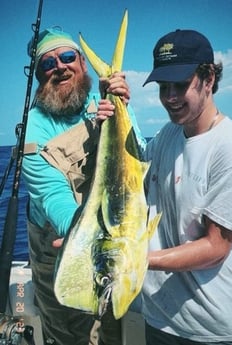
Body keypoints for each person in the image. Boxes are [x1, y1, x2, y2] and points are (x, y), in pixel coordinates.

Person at [100, 29, 232, 344]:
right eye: (163, 87)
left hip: (212, 332)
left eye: (180, 85)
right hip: (159, 319)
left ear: (208, 78)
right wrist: (118, 105)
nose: (170, 97)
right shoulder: (167, 136)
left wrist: (132, 258)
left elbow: (216, 247)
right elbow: (133, 174)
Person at [22, 27, 145, 345]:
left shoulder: (102, 103)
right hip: (64, 249)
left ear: (82, 64)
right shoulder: (33, 129)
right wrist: (86, 238)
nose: (59, 67)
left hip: (109, 238)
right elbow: (53, 197)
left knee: (115, 328)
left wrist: (122, 107)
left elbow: (138, 158)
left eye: (66, 57)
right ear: (39, 77)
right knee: (71, 336)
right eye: (47, 64)